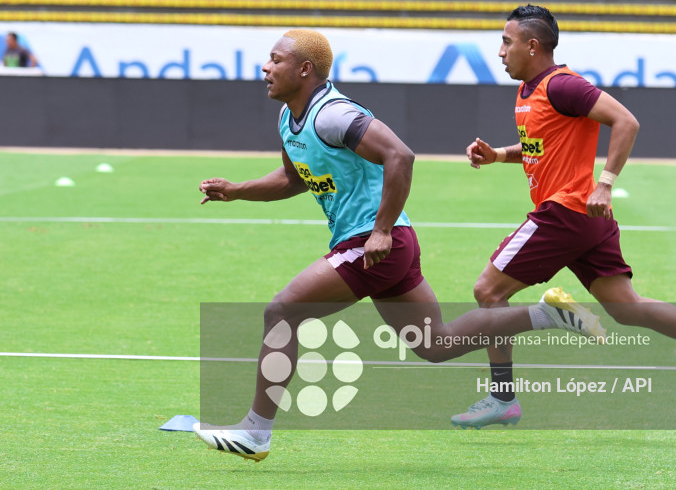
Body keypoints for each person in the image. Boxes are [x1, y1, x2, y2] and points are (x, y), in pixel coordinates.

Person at [192, 29, 608, 462]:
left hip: (375, 244)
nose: (265, 68)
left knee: (282, 311)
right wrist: (238, 189)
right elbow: (293, 178)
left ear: (304, 69)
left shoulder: (334, 115)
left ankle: (256, 432)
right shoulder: (289, 119)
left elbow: (400, 156)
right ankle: (548, 314)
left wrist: (381, 230)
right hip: (386, 248)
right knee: (435, 345)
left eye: (274, 60)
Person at [452, 5, 676, 429]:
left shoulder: (563, 85)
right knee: (626, 308)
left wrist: (606, 181)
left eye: (506, 42)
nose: (500, 51)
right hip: (586, 220)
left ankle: (503, 398)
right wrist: (498, 155)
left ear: (532, 45)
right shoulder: (530, 91)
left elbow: (625, 121)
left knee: (488, 291)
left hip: (565, 212)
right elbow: (541, 147)